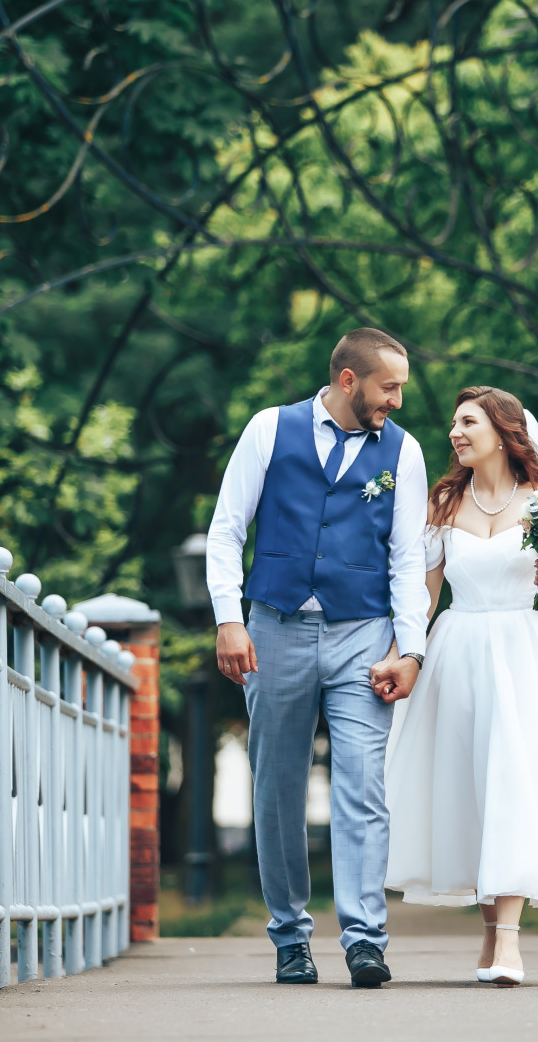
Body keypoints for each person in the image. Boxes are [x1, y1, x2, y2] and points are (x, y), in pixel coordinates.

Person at [379, 385, 538, 987]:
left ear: (502, 430)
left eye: (467, 421)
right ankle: (491, 933)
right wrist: (401, 655)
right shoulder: (443, 501)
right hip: (459, 653)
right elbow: (425, 593)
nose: (455, 432)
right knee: (474, 793)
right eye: (453, 423)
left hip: (527, 655)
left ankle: (512, 944)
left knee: (514, 786)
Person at [206, 328, 429, 988]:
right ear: (349, 380)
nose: (396, 401)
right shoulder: (269, 430)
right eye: (389, 388)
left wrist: (410, 648)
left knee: (362, 785)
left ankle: (364, 938)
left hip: (363, 632)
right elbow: (227, 530)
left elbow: (408, 557)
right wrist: (227, 619)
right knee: (275, 787)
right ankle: (290, 937)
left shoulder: (403, 452)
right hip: (274, 628)